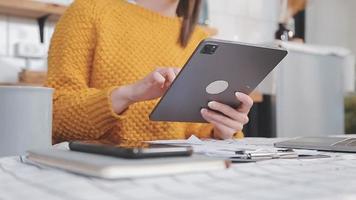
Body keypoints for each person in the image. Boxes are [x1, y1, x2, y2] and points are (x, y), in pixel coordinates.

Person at [45, 0, 253, 144]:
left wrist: (224, 130)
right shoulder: (89, 11)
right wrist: (129, 94)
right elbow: (53, 117)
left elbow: (200, 133)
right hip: (102, 177)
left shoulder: (200, 39)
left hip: (183, 177)